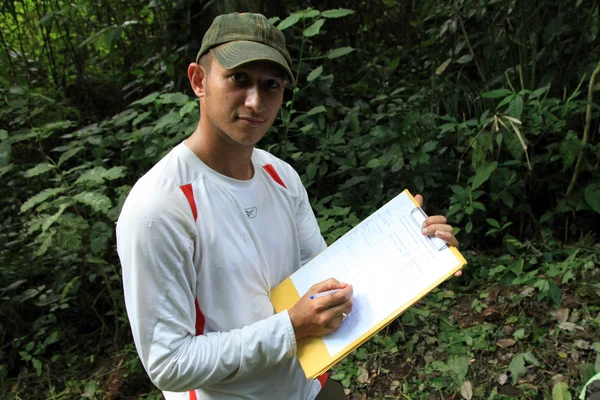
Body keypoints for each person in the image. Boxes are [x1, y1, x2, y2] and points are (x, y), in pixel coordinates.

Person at [116, 12, 460, 400]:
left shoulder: (280, 175)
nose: (254, 101)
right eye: (239, 79)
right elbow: (169, 364)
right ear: (199, 80)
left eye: (271, 85)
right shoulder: (159, 206)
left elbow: (329, 279)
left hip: (309, 387)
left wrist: (412, 249)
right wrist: (290, 328)